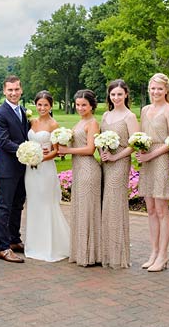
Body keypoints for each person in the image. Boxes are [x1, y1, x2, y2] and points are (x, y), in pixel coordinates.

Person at [135, 73, 169, 272]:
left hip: (160, 160)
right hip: (146, 160)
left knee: (161, 209)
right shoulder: (144, 110)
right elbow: (142, 135)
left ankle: (163, 254)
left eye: (159, 89)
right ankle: (153, 252)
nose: (155, 92)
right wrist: (139, 148)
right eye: (153, 88)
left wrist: (151, 156)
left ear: (166, 90)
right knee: (150, 209)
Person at [23, 91, 70, 262]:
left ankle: (50, 246)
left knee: (46, 204)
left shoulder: (53, 125)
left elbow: (57, 151)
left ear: (51, 106)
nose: (42, 108)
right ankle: (34, 245)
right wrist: (28, 155)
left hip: (46, 168)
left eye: (46, 105)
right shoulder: (31, 122)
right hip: (30, 170)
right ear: (35, 105)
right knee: (34, 204)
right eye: (39, 104)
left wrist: (41, 157)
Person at [98, 79, 139, 269]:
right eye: (113, 94)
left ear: (126, 95)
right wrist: (103, 153)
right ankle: (105, 251)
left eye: (119, 94)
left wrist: (116, 158)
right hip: (106, 162)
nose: (116, 97)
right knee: (106, 204)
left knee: (115, 205)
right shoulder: (106, 115)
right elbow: (99, 138)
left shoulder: (129, 117)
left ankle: (117, 254)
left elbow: (135, 143)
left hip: (120, 162)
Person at [58, 90, 102, 267]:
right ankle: (80, 251)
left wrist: (67, 151)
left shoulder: (92, 123)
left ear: (91, 105)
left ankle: (90, 254)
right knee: (80, 209)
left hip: (88, 170)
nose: (80, 108)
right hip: (78, 169)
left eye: (84, 104)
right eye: (77, 105)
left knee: (88, 210)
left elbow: (90, 149)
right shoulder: (80, 122)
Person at [0, 75, 28, 263]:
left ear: (21, 90)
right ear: (4, 91)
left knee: (18, 205)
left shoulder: (23, 110)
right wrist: (27, 150)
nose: (13, 93)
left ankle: (14, 239)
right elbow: (4, 142)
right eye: (10, 90)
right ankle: (2, 247)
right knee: (4, 207)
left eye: (16, 89)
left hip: (23, 168)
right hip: (8, 169)